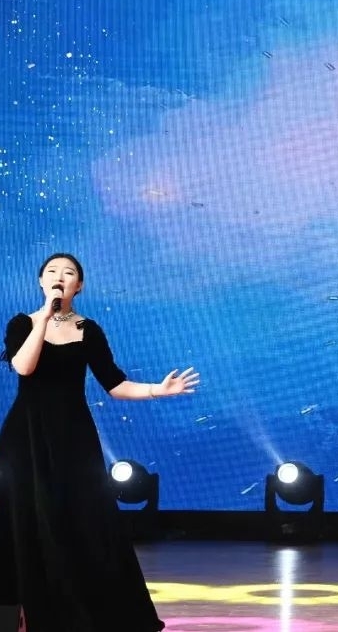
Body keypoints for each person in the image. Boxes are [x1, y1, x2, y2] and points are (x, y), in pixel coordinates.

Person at [0, 253, 200, 631]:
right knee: (23, 518)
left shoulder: (88, 330)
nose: (60, 277)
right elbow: (23, 366)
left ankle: (87, 612)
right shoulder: (22, 323)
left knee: (86, 519)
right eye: (52, 272)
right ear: (41, 281)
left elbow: (115, 384)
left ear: (79, 286)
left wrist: (157, 390)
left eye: (69, 273)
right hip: (25, 437)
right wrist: (44, 318)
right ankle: (23, 612)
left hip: (74, 436)